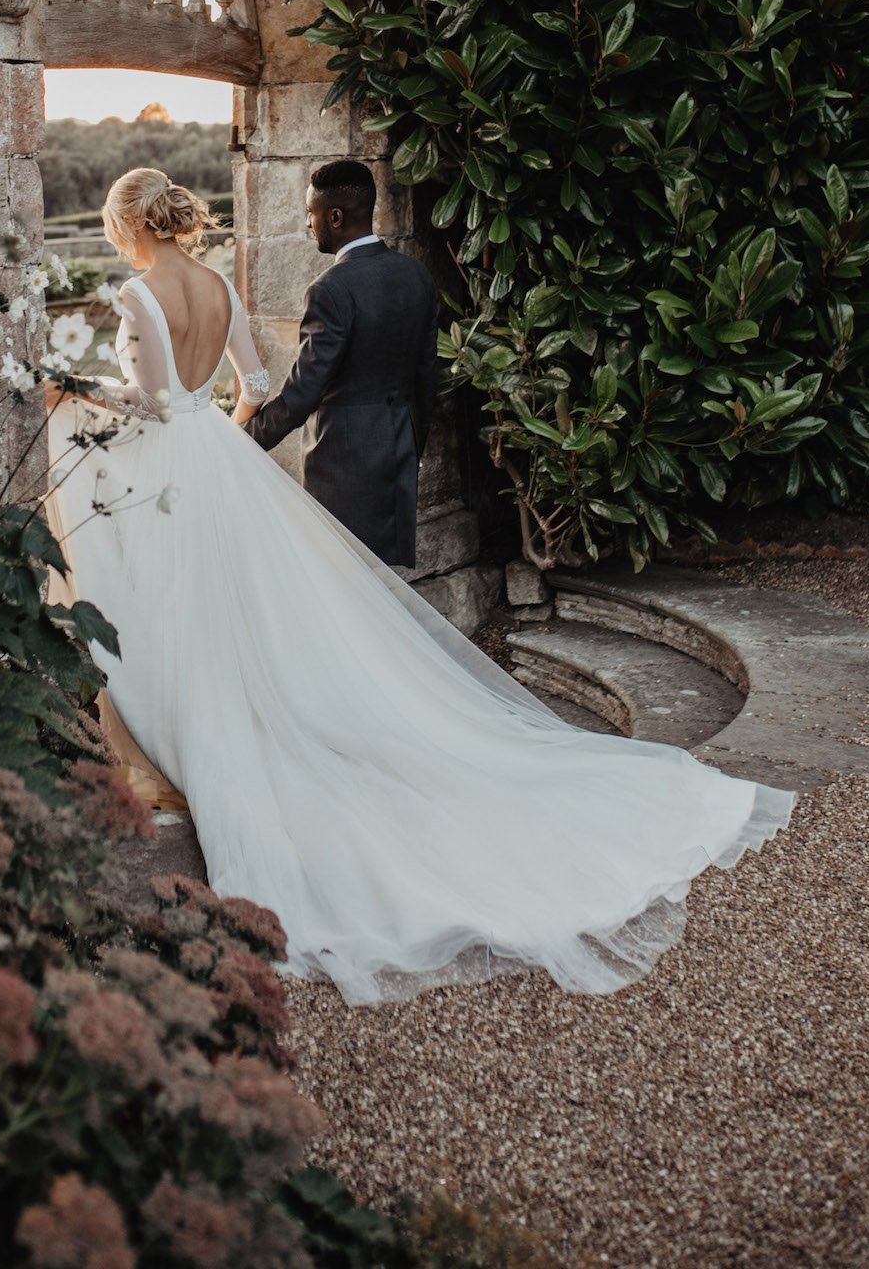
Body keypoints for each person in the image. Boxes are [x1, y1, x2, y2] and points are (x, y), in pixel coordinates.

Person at [44, 166, 794, 1007]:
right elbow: (255, 389)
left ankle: (179, 747)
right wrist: (217, 441)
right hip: (218, 461)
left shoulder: (136, 298)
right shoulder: (221, 283)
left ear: (124, 227)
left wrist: (75, 391)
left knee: (168, 606)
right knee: (236, 605)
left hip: (171, 467)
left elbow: (145, 406)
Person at [239, 159, 438, 569]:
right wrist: (413, 444)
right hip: (399, 447)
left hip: (343, 464)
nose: (308, 224)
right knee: (382, 581)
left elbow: (301, 393)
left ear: (334, 216)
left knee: (342, 580)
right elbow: (425, 373)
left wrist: (243, 439)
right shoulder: (416, 275)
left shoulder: (329, 290)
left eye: (310, 214)